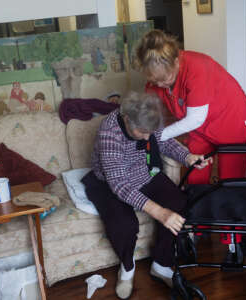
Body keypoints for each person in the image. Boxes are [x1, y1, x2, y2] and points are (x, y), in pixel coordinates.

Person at [136, 29, 246, 256]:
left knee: (230, 182)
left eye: (165, 78)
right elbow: (150, 113)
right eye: (155, 80)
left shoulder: (197, 67)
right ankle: (197, 229)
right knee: (194, 175)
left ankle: (234, 240)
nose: (161, 84)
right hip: (200, 129)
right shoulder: (156, 82)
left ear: (176, 61)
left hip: (229, 119)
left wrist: (157, 136)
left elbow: (195, 118)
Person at [81, 92, 210, 299]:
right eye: (142, 132)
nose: (148, 137)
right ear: (126, 119)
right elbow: (119, 184)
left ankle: (161, 264)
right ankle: (127, 268)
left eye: (150, 131)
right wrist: (159, 212)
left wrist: (188, 156)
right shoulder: (109, 132)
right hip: (109, 182)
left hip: (143, 173)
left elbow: (164, 142)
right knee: (124, 224)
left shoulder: (149, 120)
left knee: (178, 203)